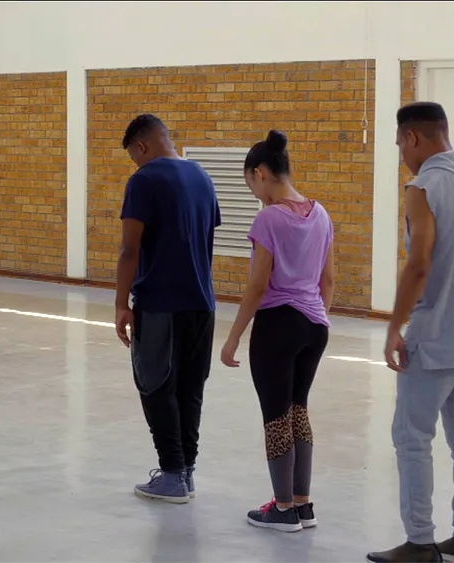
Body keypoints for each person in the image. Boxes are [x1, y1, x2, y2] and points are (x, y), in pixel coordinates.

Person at [367, 103, 454, 562]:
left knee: (411, 437)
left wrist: (394, 326)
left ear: (413, 138)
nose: (402, 156)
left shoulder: (423, 186)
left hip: (436, 332)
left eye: (400, 145)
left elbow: (419, 263)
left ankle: (420, 541)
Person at [219, 130, 335, 532]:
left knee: (276, 416)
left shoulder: (269, 218)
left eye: (251, 185)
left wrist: (234, 336)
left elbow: (258, 285)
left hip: (277, 327)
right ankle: (303, 504)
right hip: (314, 325)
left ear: (261, 173)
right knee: (298, 409)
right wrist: (315, 316)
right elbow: (328, 280)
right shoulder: (321, 214)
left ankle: (282, 508)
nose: (255, 194)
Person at [115, 114, 220, 503]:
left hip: (160, 303)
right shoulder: (202, 177)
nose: (136, 164)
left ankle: (172, 473)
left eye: (134, 156)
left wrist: (121, 303)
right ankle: (186, 471)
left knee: (156, 384)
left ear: (141, 146)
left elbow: (130, 249)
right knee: (191, 388)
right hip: (203, 303)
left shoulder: (144, 180)